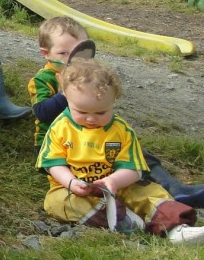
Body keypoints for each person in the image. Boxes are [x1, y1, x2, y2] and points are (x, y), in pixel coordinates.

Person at [30, 16, 204, 207]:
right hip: (60, 147)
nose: (72, 60)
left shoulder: (88, 76)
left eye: (79, 53)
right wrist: (67, 93)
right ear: (46, 53)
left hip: (95, 135)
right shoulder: (43, 79)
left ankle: (173, 188)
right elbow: (42, 112)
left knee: (139, 155)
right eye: (63, 53)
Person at [37, 59, 204, 243]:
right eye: (82, 112)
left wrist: (113, 181)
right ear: (66, 99)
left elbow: (133, 169)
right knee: (55, 201)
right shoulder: (60, 127)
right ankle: (120, 220)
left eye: (100, 113)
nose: (91, 119)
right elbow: (54, 164)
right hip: (74, 189)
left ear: (114, 101)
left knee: (150, 192)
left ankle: (176, 228)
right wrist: (70, 182)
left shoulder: (121, 130)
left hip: (119, 187)